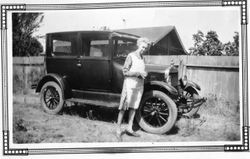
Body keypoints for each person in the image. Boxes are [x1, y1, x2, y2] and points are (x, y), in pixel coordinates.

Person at [116, 38, 151, 139]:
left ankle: (129, 128)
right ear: (138, 45)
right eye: (142, 47)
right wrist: (138, 73)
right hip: (129, 85)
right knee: (123, 107)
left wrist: (144, 73)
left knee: (134, 107)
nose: (144, 49)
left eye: (145, 48)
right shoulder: (131, 56)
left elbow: (142, 70)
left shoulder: (142, 58)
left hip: (139, 85)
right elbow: (125, 72)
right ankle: (118, 130)